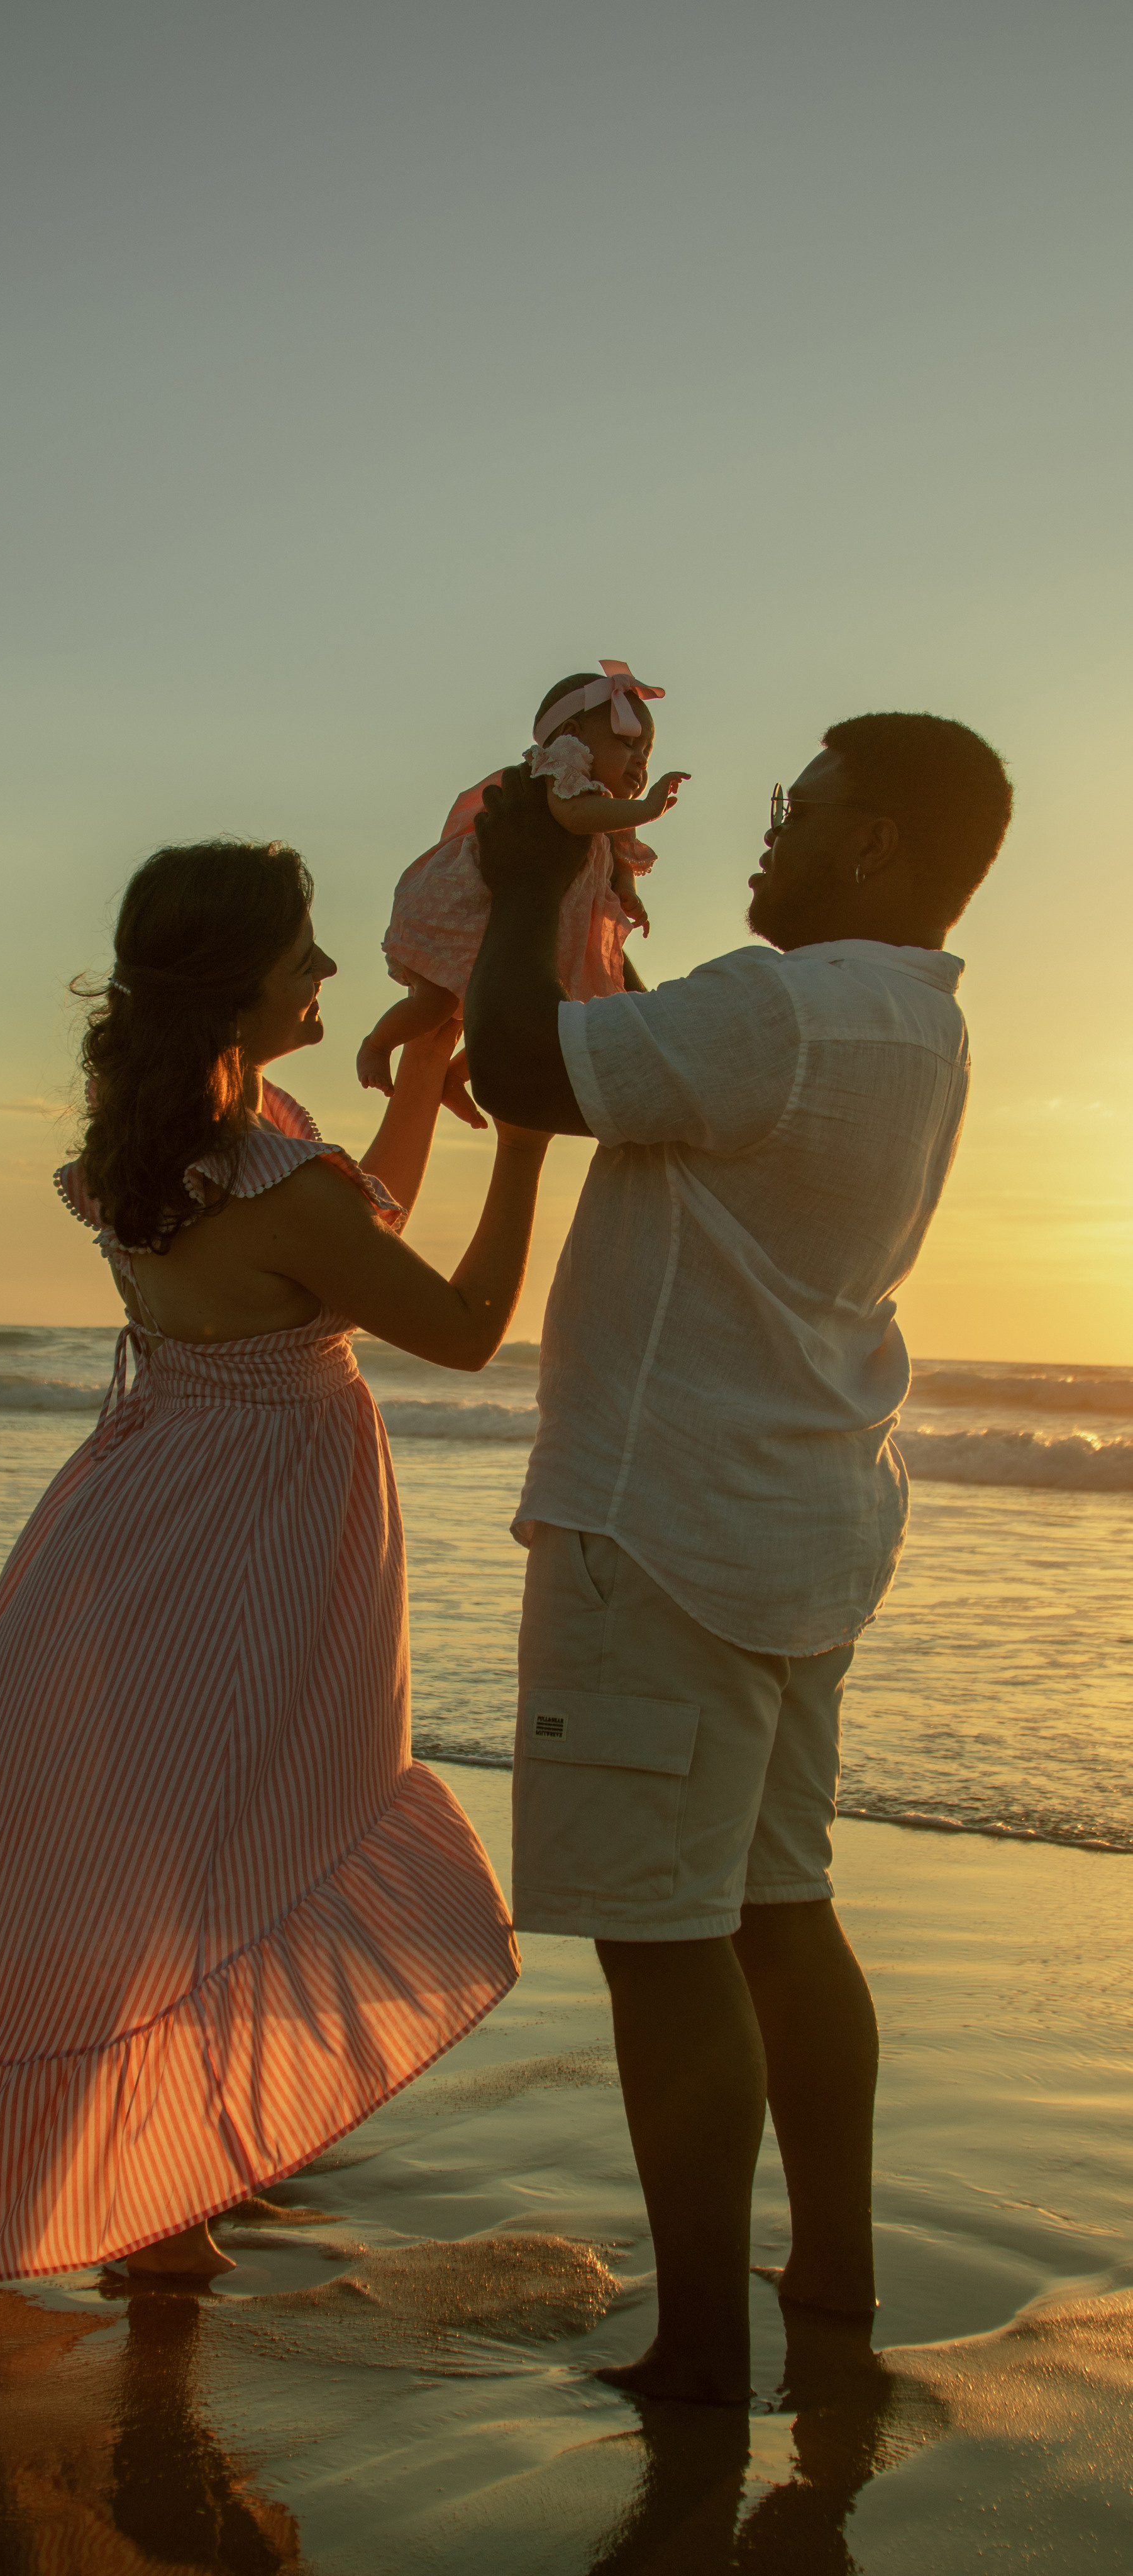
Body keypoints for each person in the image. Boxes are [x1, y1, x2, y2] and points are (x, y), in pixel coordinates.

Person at [0, 837, 550, 2287]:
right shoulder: (273, 1179)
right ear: (234, 983)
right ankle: (157, 2205)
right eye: (302, 949)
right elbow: (462, 1326)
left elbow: (355, 1232)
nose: (326, 969)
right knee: (222, 1843)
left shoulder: (167, 1147)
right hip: (251, 1541)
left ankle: (167, 2185)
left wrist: (421, 1073)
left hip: (154, 1510)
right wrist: (525, 1143)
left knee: (165, 1844)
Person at [463, 713, 1014, 2403]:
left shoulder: (775, 1008)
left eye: (797, 809)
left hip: (661, 1523)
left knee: (664, 1941)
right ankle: (829, 2272)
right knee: (781, 1908)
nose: (765, 834)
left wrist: (524, 880)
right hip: (799, 1521)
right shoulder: (912, 1020)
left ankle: (697, 2345)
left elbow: (519, 1072)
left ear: (871, 846)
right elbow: (626, 1063)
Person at [357, 660, 688, 1124]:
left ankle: (455, 1077)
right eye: (628, 743)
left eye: (647, 754)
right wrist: (649, 809)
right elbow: (574, 817)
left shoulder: (609, 811)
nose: (640, 762)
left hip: (546, 926)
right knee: (438, 1003)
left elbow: (617, 859)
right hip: (477, 911)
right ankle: (376, 1045)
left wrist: (628, 891)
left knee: (530, 1017)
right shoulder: (563, 773)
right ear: (571, 736)